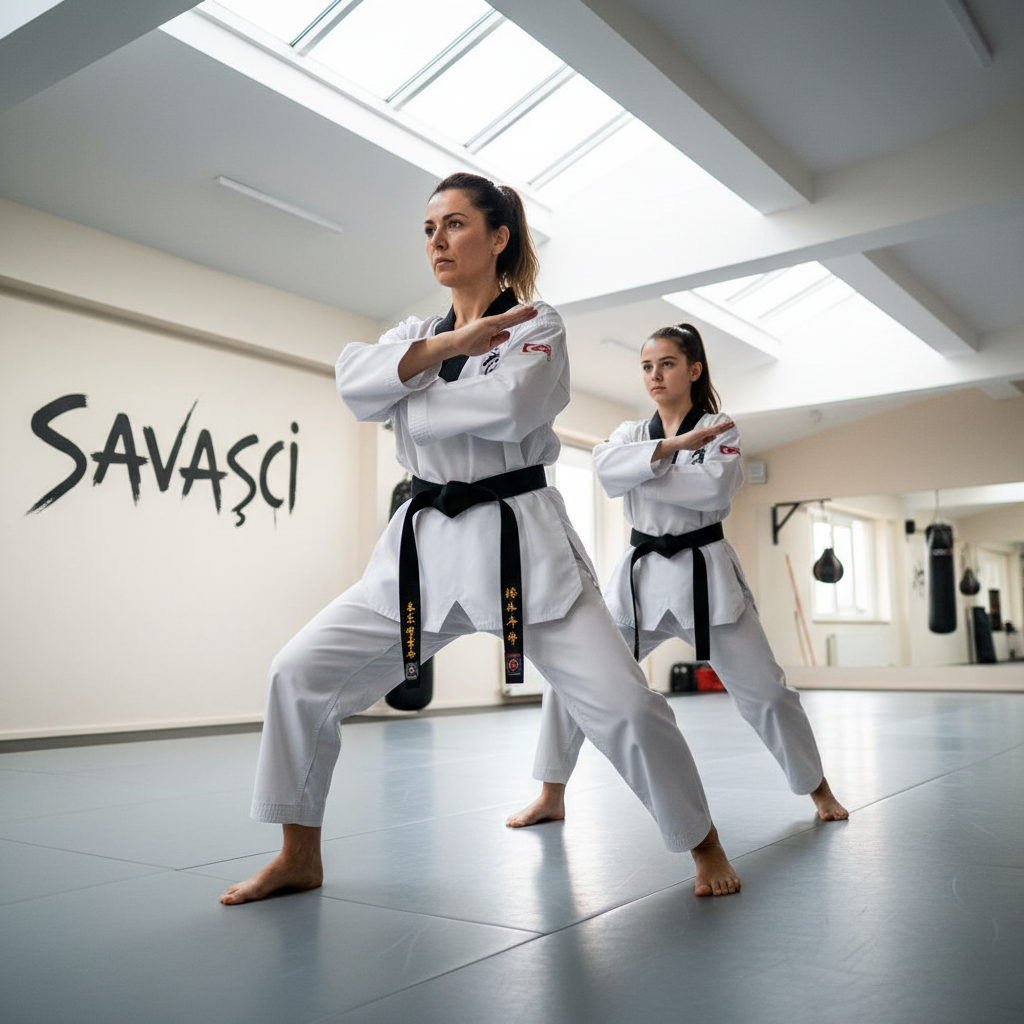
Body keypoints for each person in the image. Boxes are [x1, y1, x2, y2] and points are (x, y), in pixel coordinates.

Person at [220, 174, 740, 905]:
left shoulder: (536, 323)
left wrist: (413, 393)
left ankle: (704, 842)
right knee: (297, 672)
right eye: (429, 227)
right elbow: (353, 384)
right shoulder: (413, 331)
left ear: (498, 238)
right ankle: (298, 853)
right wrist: (442, 350)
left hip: (519, 545)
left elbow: (511, 405)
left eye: (455, 224)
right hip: (421, 549)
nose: (437, 239)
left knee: (626, 706)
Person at [507, 323, 847, 830]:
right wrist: (672, 453)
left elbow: (711, 491)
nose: (655, 375)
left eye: (666, 364)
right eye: (647, 366)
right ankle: (551, 792)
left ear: (693, 369)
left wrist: (644, 472)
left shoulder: (720, 428)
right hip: (638, 585)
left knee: (769, 693)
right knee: (569, 677)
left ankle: (818, 789)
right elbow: (606, 471)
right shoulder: (628, 433)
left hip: (706, 580)